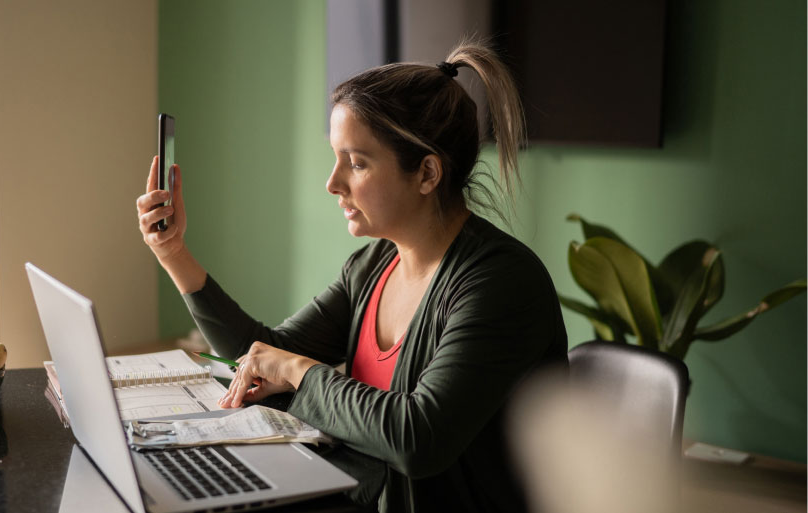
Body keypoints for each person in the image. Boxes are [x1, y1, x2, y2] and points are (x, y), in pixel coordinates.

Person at [136, 39, 567, 513]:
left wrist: (299, 372)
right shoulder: (374, 265)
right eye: (337, 156)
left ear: (427, 173)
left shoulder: (500, 284)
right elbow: (259, 353)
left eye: (357, 162)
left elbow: (417, 439)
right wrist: (174, 253)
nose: (333, 182)